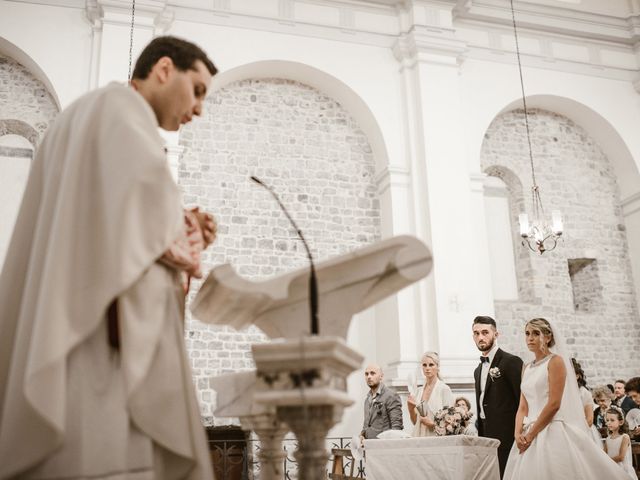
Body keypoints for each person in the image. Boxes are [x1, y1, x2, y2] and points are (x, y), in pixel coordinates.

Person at [0, 36, 218, 479]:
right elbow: (142, 223)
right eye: (196, 89)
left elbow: (108, 218)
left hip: (69, 320)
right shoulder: (122, 111)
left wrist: (177, 218)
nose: (198, 110)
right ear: (162, 70)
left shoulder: (82, 115)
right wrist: (190, 226)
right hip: (100, 342)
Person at [503, 318, 628, 480]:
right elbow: (522, 407)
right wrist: (517, 433)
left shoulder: (555, 362)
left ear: (548, 337)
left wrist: (531, 434)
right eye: (527, 334)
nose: (530, 338)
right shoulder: (526, 367)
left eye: (536, 333)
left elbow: (554, 404)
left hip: (551, 429)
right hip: (526, 434)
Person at [472, 315, 523, 478]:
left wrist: (520, 433)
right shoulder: (478, 370)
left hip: (508, 435)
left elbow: (522, 400)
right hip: (485, 434)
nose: (480, 337)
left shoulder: (511, 362)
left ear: (496, 334)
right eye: (476, 333)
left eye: (485, 332)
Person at [407, 351, 453, 437]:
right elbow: (415, 422)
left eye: (431, 365)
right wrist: (410, 409)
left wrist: (432, 424)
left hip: (436, 437)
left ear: (438, 367)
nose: (427, 368)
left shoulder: (444, 389)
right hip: (419, 436)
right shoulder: (418, 391)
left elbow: (450, 422)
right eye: (424, 365)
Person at [360, 364, 404, 439]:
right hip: (369, 446)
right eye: (366, 374)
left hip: (383, 446)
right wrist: (362, 435)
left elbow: (397, 428)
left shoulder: (391, 396)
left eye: (372, 373)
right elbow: (367, 425)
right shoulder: (367, 399)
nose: (369, 377)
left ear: (381, 376)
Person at [572, 357, 601, 446]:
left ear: (577, 376)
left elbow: (589, 419)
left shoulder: (584, 393)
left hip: (583, 432)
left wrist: (577, 433)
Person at [604, 406, 638, 479]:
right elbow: (604, 454)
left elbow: (621, 457)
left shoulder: (624, 437)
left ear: (621, 422)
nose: (608, 423)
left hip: (623, 469)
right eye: (607, 420)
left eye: (612, 420)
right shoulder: (608, 439)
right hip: (611, 469)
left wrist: (607, 461)